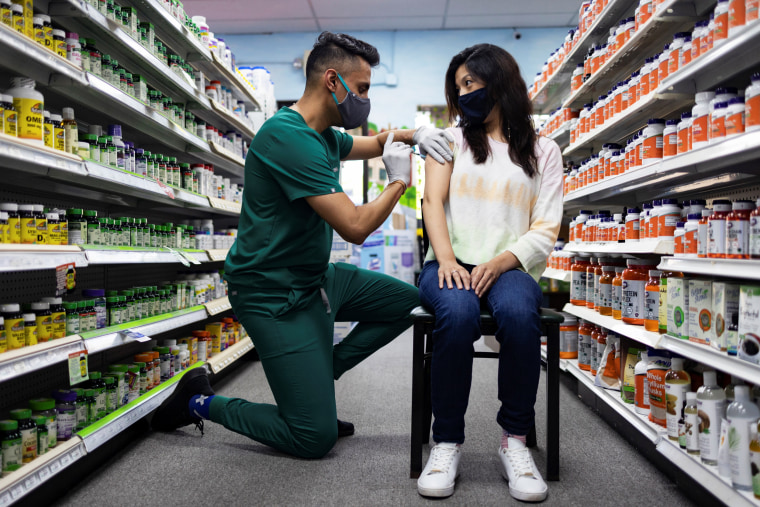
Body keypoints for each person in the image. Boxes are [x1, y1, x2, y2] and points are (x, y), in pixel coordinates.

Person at [151, 32, 455, 460]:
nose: (365, 99)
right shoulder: (287, 138)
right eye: (362, 88)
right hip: (270, 293)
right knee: (313, 438)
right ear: (333, 81)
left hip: (315, 279)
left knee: (410, 302)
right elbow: (353, 226)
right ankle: (197, 400)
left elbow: (373, 143)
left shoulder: (325, 134)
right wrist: (400, 181)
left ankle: (321, 370)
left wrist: (415, 133)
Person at [415, 44, 563, 502]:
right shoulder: (450, 141)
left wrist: (503, 260)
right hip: (449, 260)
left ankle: (513, 442)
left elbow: (546, 227)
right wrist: (446, 260)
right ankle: (447, 442)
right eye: (457, 88)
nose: (462, 96)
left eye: (469, 84)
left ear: (498, 83)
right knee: (456, 318)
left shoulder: (543, 151)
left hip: (511, 266)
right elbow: (432, 203)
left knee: (521, 316)